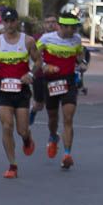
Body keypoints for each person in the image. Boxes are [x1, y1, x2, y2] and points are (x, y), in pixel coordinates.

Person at [0, 8, 39, 178]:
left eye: (12, 21)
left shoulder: (28, 41)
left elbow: (39, 60)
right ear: (3, 22)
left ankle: (27, 138)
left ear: (17, 22)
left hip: (22, 90)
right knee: (7, 126)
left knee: (22, 130)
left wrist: (30, 74)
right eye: (6, 21)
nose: (9, 24)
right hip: (4, 90)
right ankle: (13, 165)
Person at [36, 13, 86, 169]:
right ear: (61, 26)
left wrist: (82, 63)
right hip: (50, 81)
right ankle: (53, 135)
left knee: (68, 118)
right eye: (69, 28)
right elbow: (34, 56)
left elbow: (80, 55)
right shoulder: (46, 39)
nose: (72, 31)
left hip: (69, 82)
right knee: (53, 117)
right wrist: (44, 66)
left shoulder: (76, 40)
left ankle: (66, 154)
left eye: (74, 27)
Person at [29, 15, 58, 126]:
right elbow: (31, 57)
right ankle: (33, 111)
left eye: (53, 22)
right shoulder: (36, 38)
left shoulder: (61, 38)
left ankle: (53, 128)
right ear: (43, 24)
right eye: (48, 22)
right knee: (40, 104)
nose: (50, 24)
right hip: (40, 75)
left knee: (53, 104)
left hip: (56, 75)